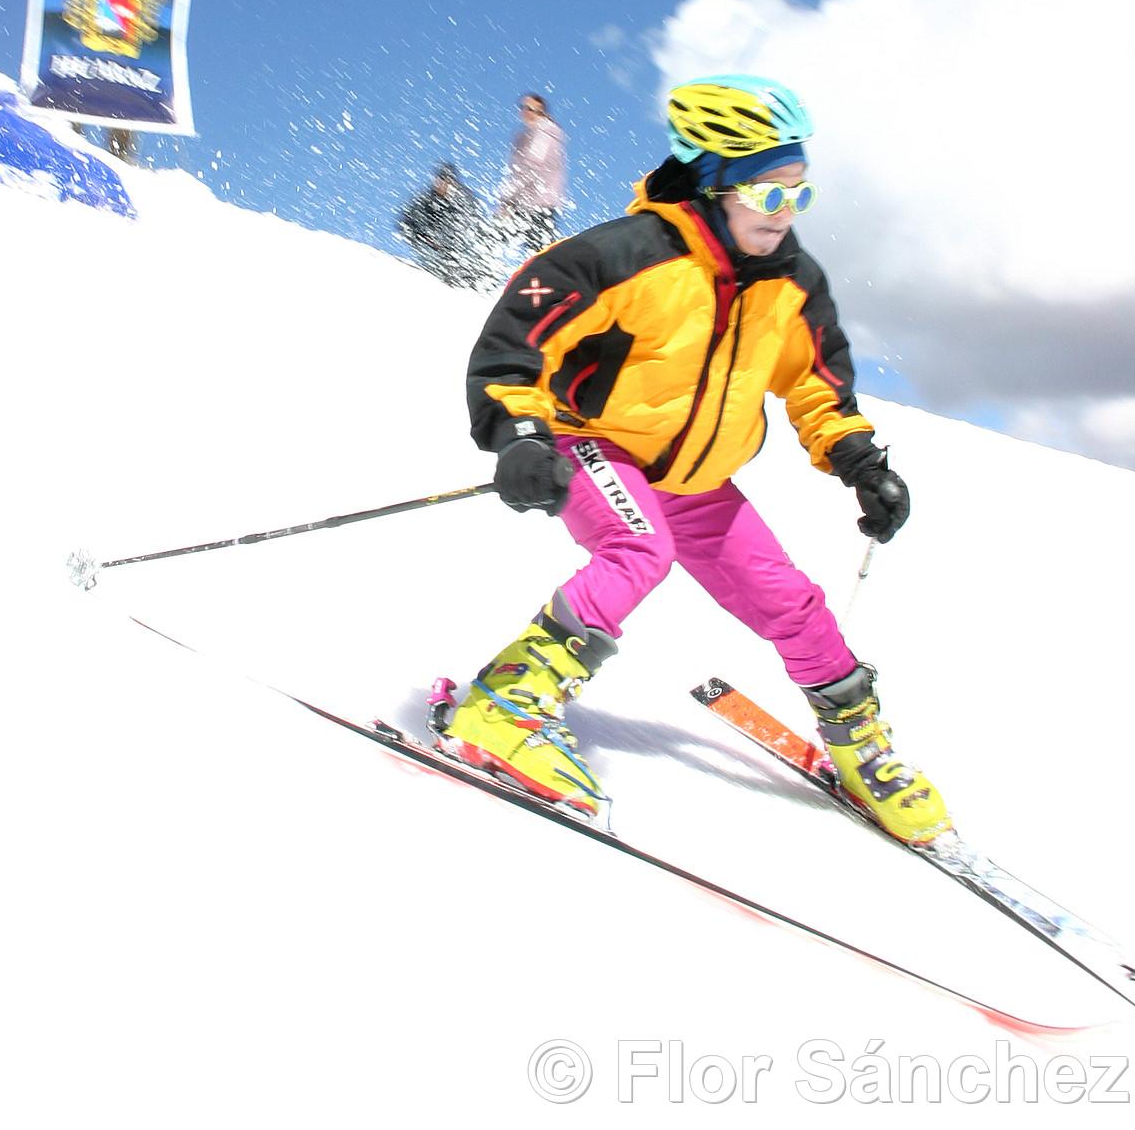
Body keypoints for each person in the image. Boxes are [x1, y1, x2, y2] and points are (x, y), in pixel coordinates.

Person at [436, 74, 950, 847]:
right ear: (713, 183)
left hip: (697, 478)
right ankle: (502, 706)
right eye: (768, 195)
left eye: (797, 196)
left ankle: (859, 748)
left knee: (793, 604)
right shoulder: (623, 255)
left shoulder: (791, 285)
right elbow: (514, 346)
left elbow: (817, 383)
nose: (785, 215)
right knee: (638, 549)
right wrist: (519, 435)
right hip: (593, 441)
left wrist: (858, 461)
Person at [397, 163, 492, 290]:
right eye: (441, 180)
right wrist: (424, 239)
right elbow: (405, 223)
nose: (443, 185)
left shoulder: (464, 199)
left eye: (448, 182)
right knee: (437, 264)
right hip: (435, 251)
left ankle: (481, 281)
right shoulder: (426, 201)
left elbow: (475, 226)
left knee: (472, 262)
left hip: (461, 250)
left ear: (454, 184)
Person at [496, 92, 567, 257]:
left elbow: (532, 167)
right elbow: (517, 170)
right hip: (522, 203)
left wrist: (507, 197)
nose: (524, 111)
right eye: (522, 107)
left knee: (540, 255)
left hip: (540, 206)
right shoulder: (524, 136)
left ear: (540, 112)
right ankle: (476, 274)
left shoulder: (545, 133)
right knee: (493, 238)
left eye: (529, 108)